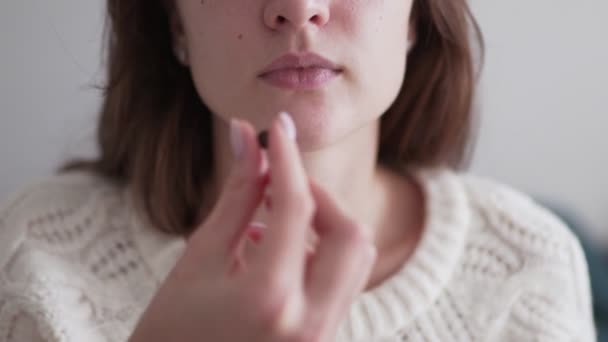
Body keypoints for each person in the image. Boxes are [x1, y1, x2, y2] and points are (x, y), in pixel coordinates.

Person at [0, 0, 596, 341]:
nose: (298, 8)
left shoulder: (529, 267)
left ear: (414, 16)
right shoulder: (39, 255)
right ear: (175, 24)